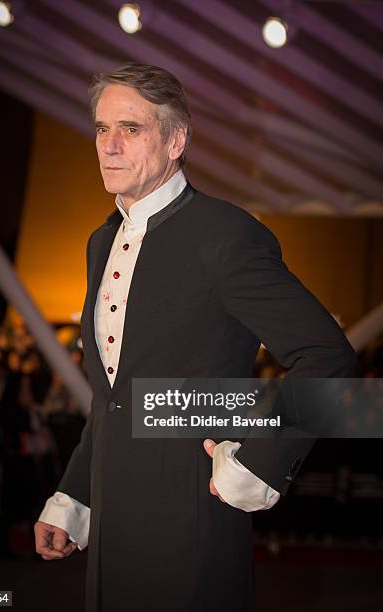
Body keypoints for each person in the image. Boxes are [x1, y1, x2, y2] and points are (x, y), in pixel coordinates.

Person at [34, 63, 355, 612]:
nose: (108, 146)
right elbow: (114, 394)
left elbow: (327, 356)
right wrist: (74, 495)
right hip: (114, 526)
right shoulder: (99, 242)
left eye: (130, 129)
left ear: (176, 139)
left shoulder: (227, 236)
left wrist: (259, 464)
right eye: (100, 128)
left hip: (193, 517)